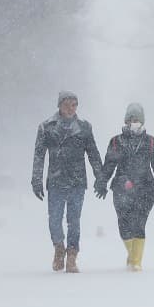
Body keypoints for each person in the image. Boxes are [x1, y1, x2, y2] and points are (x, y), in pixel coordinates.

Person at [94, 102, 154, 271]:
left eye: (137, 119)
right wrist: (101, 181)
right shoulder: (116, 142)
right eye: (131, 118)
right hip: (122, 189)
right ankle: (132, 254)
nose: (133, 121)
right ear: (126, 120)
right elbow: (109, 165)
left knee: (139, 225)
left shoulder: (151, 142)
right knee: (124, 227)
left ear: (142, 121)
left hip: (145, 189)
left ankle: (136, 263)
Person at [31, 90, 103, 273]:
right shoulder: (46, 127)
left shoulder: (84, 128)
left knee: (74, 220)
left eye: (74, 104)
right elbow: (39, 156)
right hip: (55, 180)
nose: (71, 108)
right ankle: (58, 248)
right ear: (59, 105)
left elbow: (93, 154)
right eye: (67, 104)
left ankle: (72, 255)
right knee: (54, 219)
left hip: (77, 181)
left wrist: (100, 177)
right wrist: (36, 179)